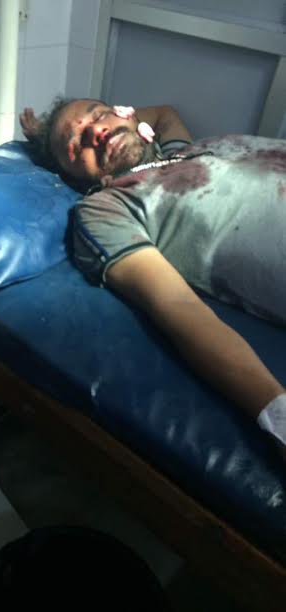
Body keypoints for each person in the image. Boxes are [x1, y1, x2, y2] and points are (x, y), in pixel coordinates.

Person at [19, 97, 286, 455]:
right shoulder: (106, 208)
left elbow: (164, 113)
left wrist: (99, 124)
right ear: (73, 176)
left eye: (100, 115)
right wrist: (279, 418)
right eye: (77, 144)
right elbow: (179, 307)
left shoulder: (183, 150)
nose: (96, 132)